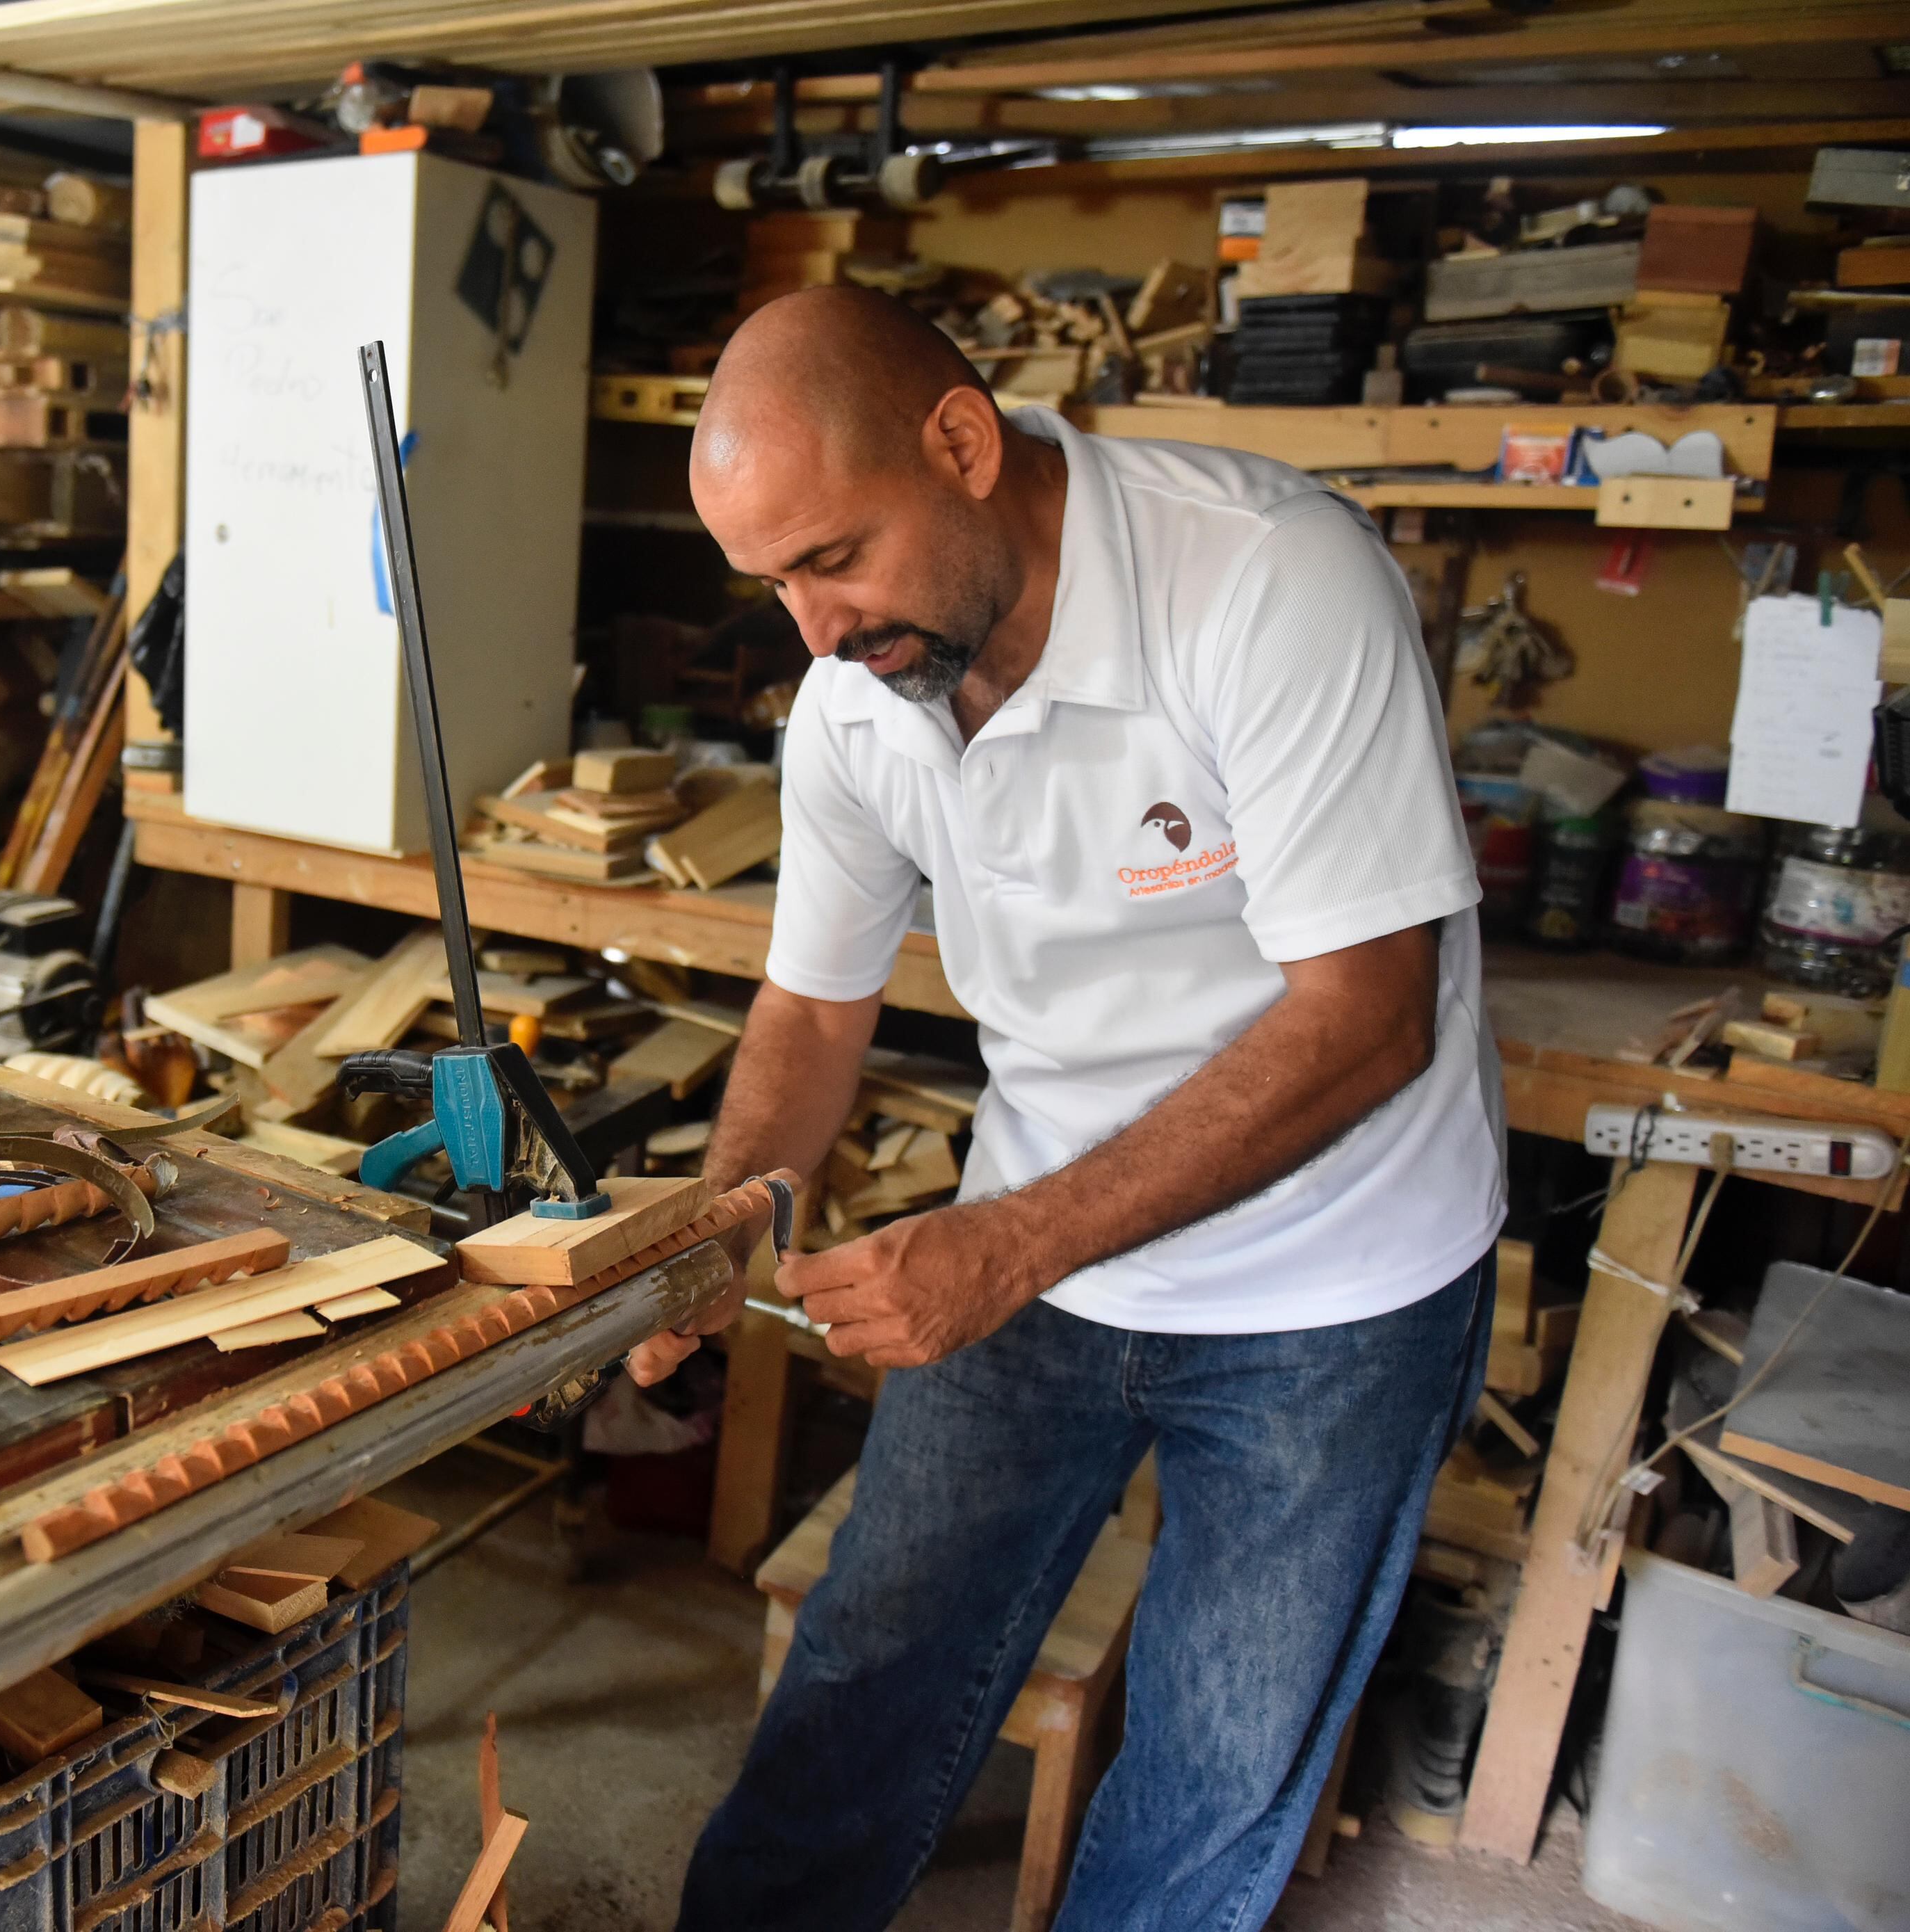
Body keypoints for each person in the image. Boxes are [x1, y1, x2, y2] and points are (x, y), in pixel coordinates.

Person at [631, 286, 1503, 1931]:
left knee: (1206, 1781)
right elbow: (816, 1008)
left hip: (1331, 1285)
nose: (812, 629)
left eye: (833, 558)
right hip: (1034, 1242)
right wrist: (719, 1224)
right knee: (861, 1682)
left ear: (963, 443)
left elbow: (1365, 1021)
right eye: (772, 586)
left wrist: (1010, 1246)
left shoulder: (1263, 583)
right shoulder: (854, 700)